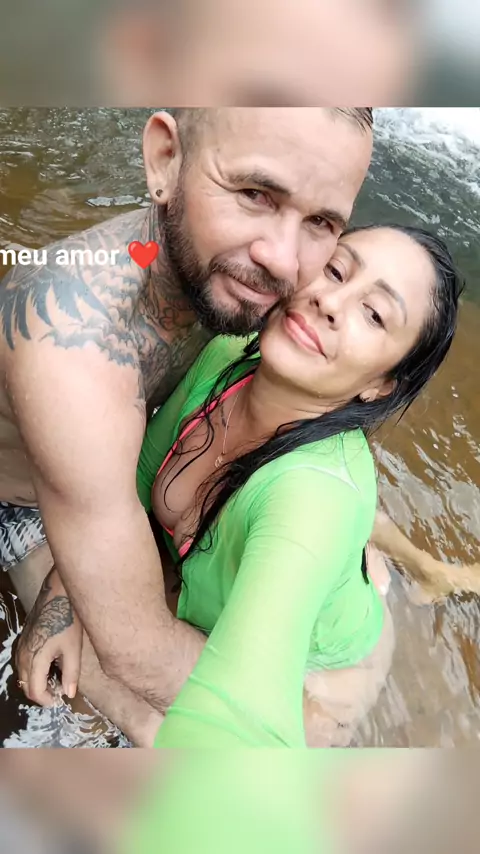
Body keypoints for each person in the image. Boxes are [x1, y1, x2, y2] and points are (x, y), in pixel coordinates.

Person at [18, 223, 464, 748]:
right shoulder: (228, 354)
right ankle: (418, 567)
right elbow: (131, 486)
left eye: (374, 314)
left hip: (317, 675)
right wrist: (61, 599)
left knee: (150, 726)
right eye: (335, 269)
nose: (330, 302)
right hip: (286, 542)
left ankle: (402, 572)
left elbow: (250, 715)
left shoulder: (315, 501)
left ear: (381, 385)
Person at [3, 107, 374, 725]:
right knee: (144, 722)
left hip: (114, 470)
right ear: (164, 160)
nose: (284, 263)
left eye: (321, 222)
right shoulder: (71, 350)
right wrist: (297, 727)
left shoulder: (224, 276)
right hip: (28, 502)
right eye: (255, 194)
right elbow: (136, 646)